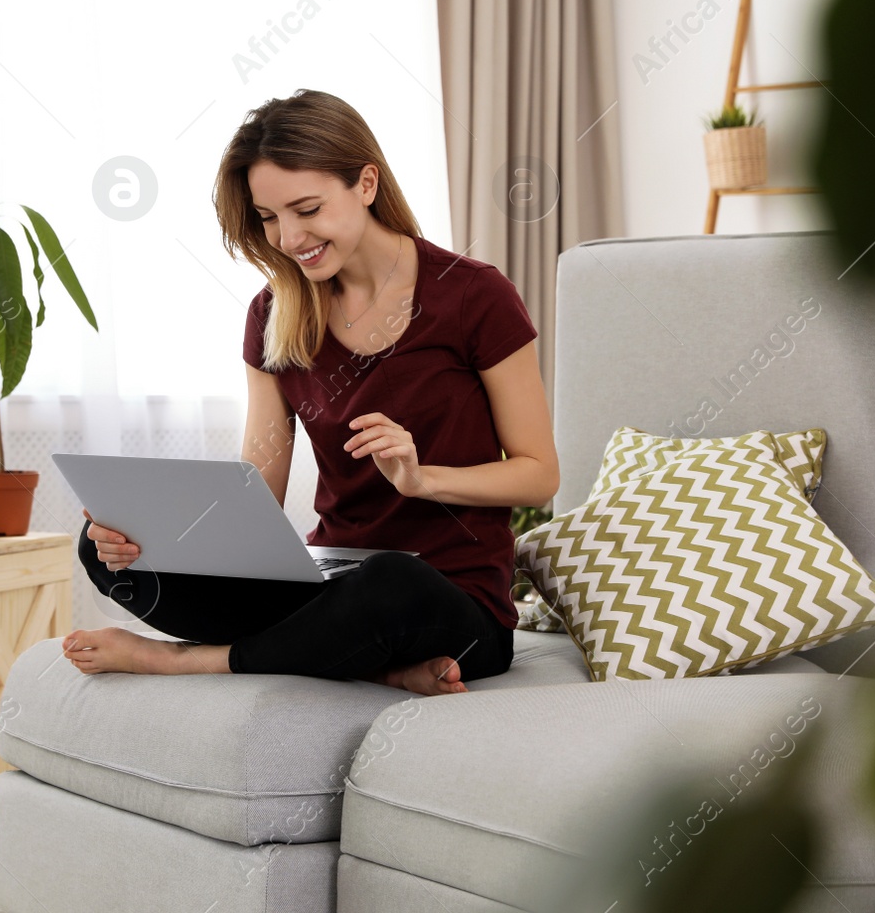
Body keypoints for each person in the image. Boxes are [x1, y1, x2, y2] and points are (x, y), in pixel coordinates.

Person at [61, 89, 558, 695]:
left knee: (391, 582)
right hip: (325, 587)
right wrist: (151, 528)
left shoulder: (473, 295)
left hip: (447, 600)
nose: (289, 237)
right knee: (101, 549)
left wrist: (424, 478)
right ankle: (372, 664)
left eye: (307, 209)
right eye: (269, 218)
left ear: (366, 183)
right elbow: (257, 490)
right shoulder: (273, 313)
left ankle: (178, 660)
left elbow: (539, 474)